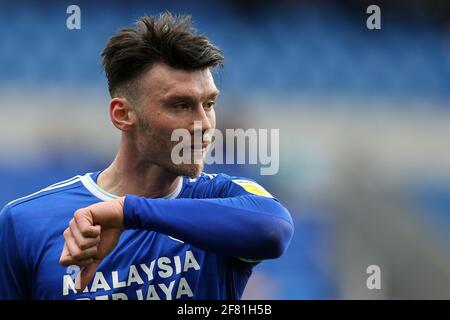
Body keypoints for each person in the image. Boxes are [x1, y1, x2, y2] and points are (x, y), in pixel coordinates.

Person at [0, 12, 294, 300]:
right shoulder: (25, 222)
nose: (204, 124)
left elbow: (274, 229)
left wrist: (128, 213)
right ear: (123, 114)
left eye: (209, 103)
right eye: (181, 105)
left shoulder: (217, 198)